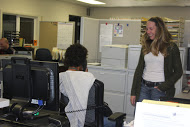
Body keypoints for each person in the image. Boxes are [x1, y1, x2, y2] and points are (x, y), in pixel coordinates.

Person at [130, 17, 183, 106]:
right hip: (143, 88)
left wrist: (163, 87)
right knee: (141, 117)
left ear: (159, 29)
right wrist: (133, 92)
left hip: (160, 90)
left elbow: (178, 72)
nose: (148, 32)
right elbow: (139, 70)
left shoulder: (171, 47)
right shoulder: (146, 46)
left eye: (151, 29)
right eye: (147, 29)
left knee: (157, 118)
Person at [59, 43, 115, 127]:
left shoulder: (60, 78)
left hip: (68, 120)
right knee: (115, 121)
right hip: (92, 122)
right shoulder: (90, 80)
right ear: (83, 62)